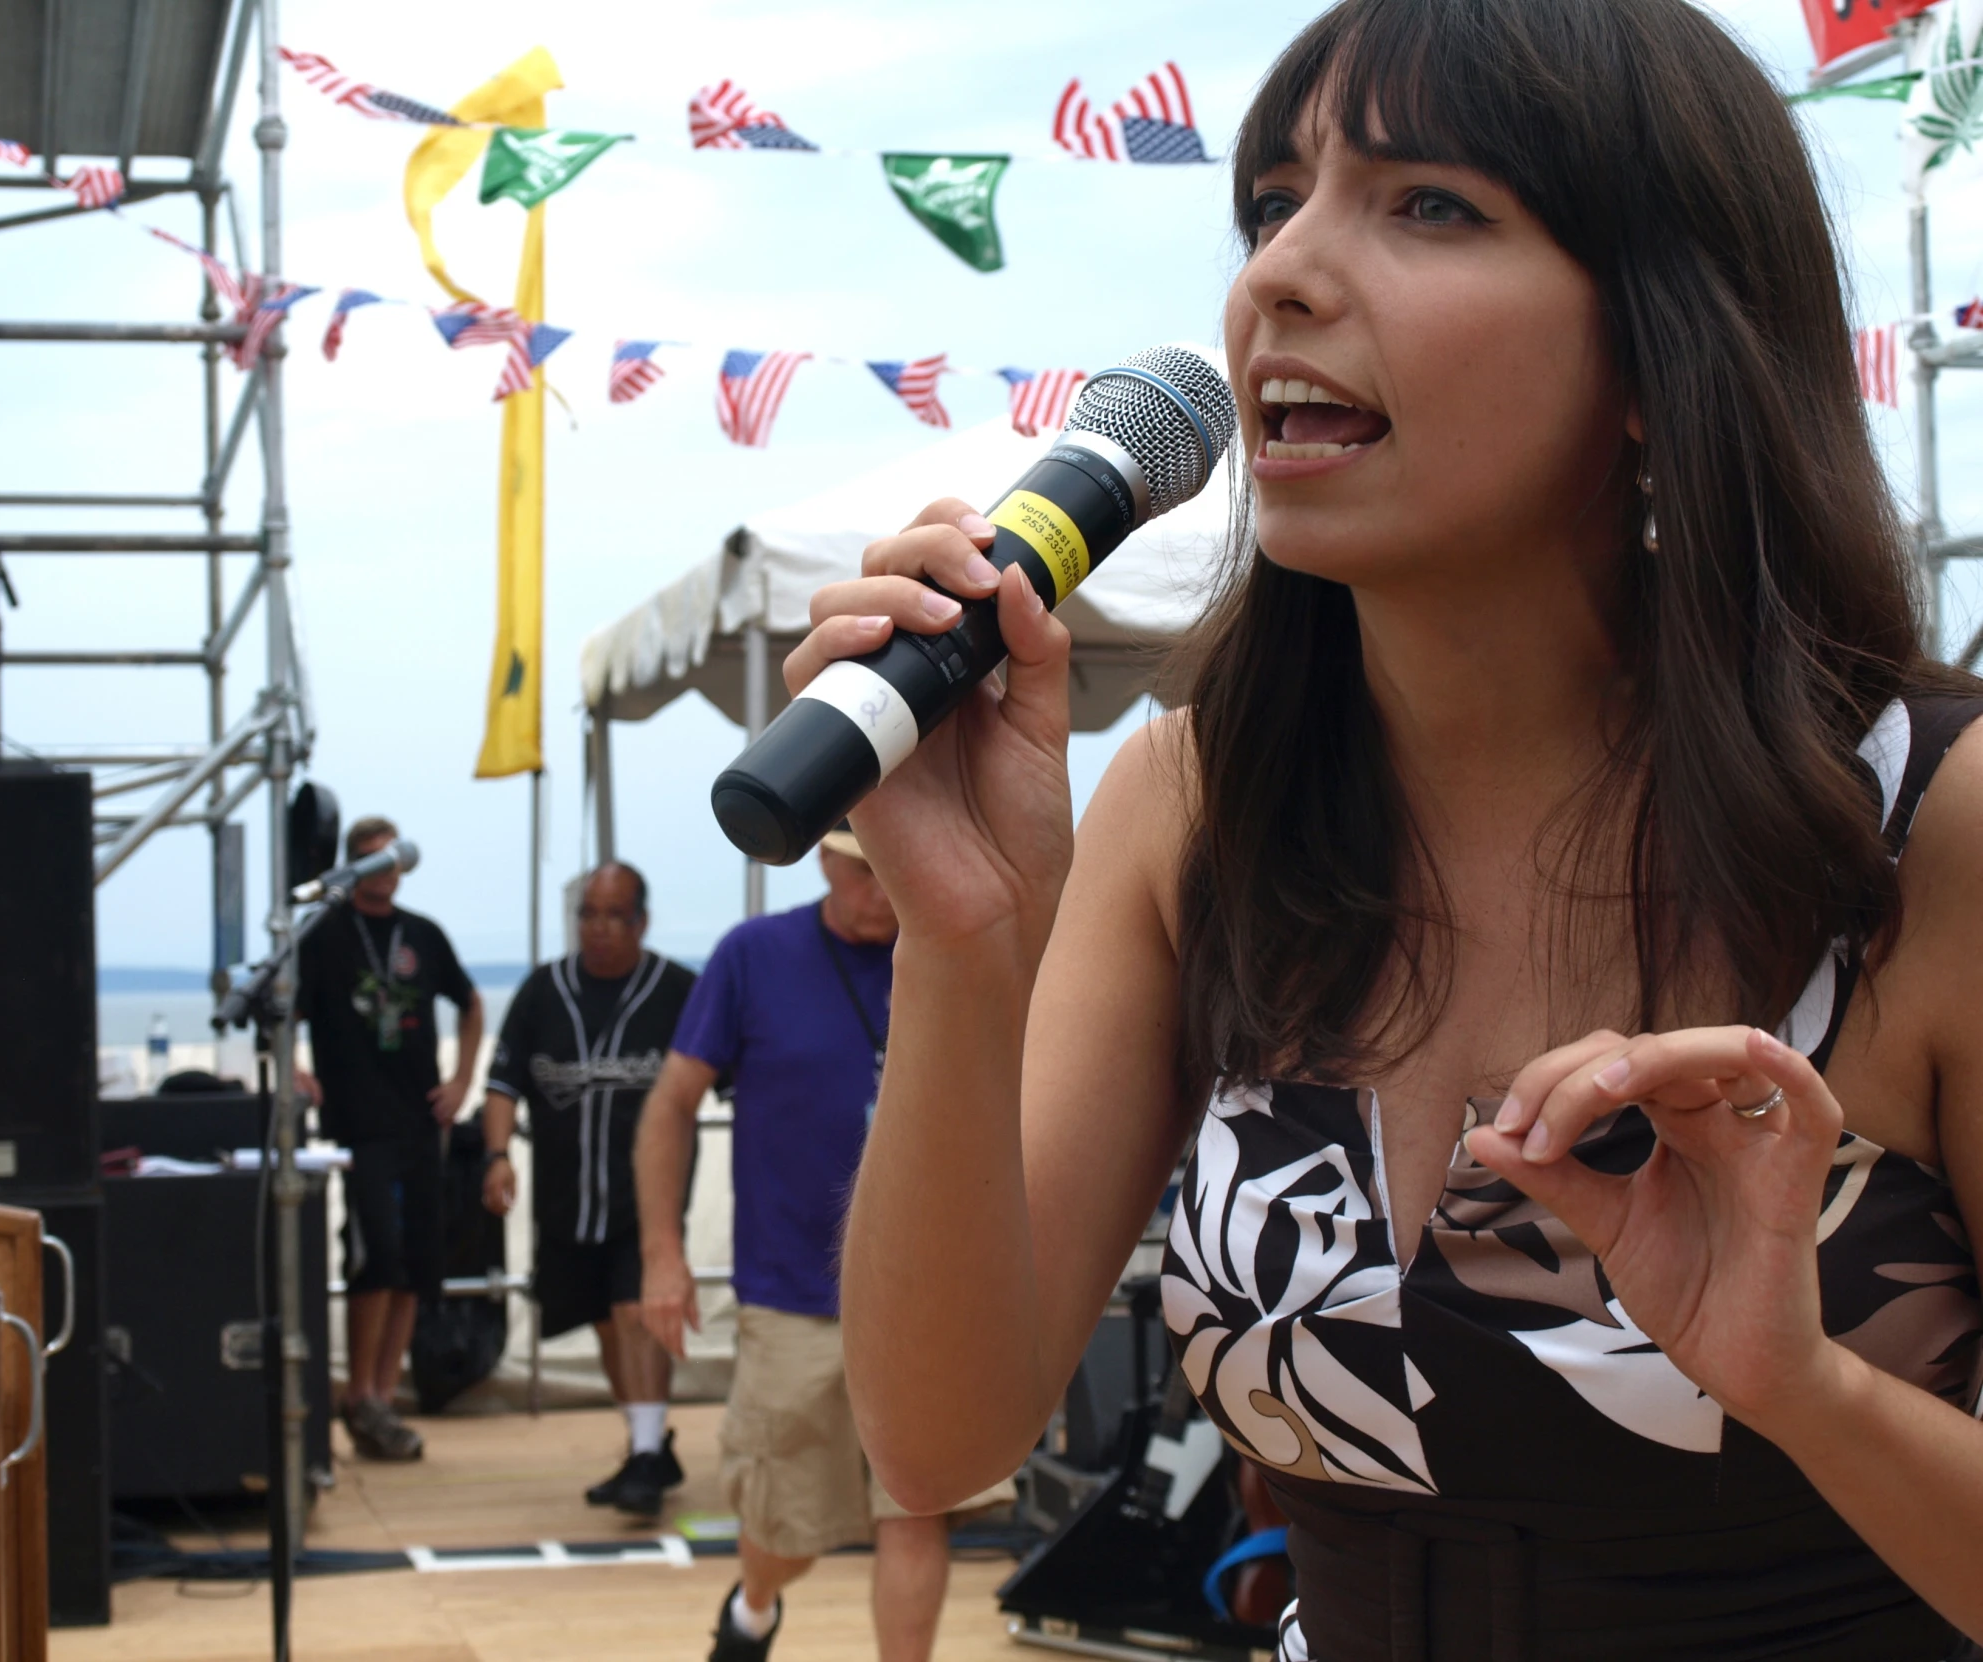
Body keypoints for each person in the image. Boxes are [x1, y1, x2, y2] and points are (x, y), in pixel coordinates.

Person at [817, 2, 1983, 1659]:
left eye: (1429, 203)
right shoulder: (1189, 805)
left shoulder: (1933, 826)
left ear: (1663, 351)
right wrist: (960, 940)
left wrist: (1804, 1384)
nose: (1279, 271)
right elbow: (936, 1439)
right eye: (1274, 198)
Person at [638, 827, 1009, 1662]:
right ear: (827, 862)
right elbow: (670, 1105)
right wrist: (663, 1254)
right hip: (793, 1290)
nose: (884, 889)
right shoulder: (752, 956)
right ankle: (756, 1604)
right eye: (866, 871)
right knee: (785, 1525)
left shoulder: (954, 950)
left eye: (896, 868)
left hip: (929, 1295)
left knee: (915, 1510)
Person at [481, 861, 698, 1516]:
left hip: (647, 1197)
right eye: (587, 915)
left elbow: (734, 1077)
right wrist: (496, 1156)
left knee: (638, 1312)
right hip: (566, 1195)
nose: (598, 928)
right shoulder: (544, 991)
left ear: (641, 921)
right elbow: (503, 1084)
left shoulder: (679, 990)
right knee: (607, 1323)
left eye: (613, 915)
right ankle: (648, 1445)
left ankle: (643, 1456)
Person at [296, 814, 482, 1462]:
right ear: (353, 866)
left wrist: (461, 1080)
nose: (386, 869)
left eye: (393, 858)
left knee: (415, 1264)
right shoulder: (324, 934)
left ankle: (382, 1391)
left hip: (418, 1119)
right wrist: (295, 1068)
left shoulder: (423, 935)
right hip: (358, 1122)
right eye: (372, 860)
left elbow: (471, 1001)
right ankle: (360, 1396)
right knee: (374, 1254)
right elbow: (283, 1010)